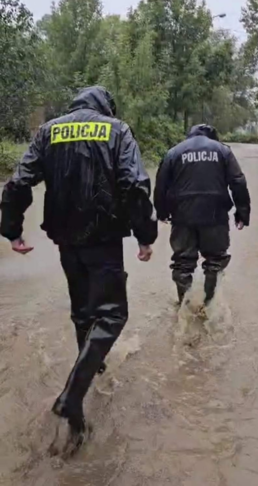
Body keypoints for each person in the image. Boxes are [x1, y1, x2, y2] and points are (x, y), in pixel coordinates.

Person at [0, 86, 157, 449]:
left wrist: (11, 230)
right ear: (105, 106)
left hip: (66, 238)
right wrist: (144, 234)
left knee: (83, 312)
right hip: (103, 237)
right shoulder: (117, 130)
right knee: (113, 315)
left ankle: (93, 371)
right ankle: (72, 397)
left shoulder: (48, 131)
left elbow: (19, 181)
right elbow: (134, 184)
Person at [154, 124, 250, 308]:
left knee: (182, 263)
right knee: (215, 260)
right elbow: (238, 182)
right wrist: (242, 212)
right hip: (215, 216)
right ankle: (209, 304)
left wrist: (162, 211)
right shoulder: (223, 151)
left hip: (182, 217)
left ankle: (185, 307)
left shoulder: (174, 152)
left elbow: (161, 185)